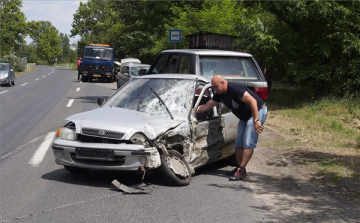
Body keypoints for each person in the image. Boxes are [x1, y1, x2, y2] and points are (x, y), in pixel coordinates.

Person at [196, 75, 267, 181]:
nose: (215, 89)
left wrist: (256, 120)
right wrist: (192, 110)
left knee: (248, 142)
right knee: (238, 143)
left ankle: (241, 170)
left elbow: (253, 101)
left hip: (256, 112)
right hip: (244, 117)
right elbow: (207, 106)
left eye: (216, 87)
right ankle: (240, 168)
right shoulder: (219, 94)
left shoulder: (235, 89)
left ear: (223, 83)